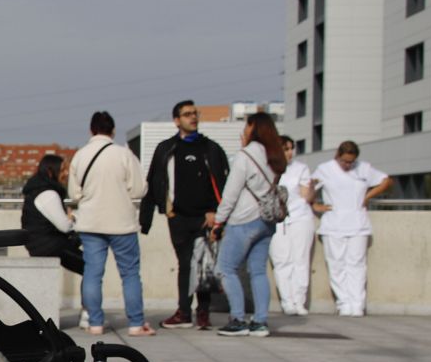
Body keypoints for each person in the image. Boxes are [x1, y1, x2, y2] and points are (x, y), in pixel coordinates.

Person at [140, 100, 228, 331]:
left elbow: (222, 183)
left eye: (195, 113)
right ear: (177, 120)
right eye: (187, 114)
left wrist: (215, 212)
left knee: (203, 264)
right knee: (185, 264)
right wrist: (147, 219)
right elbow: (154, 182)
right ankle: (184, 312)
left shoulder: (210, 149)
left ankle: (203, 313)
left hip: (205, 218)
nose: (193, 117)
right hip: (178, 217)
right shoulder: (167, 149)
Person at [68, 110, 151, 337]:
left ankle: (95, 323)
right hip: (122, 223)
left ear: (91, 130)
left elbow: (74, 194)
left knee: (93, 274)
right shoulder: (124, 154)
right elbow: (138, 189)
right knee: (130, 274)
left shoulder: (80, 156)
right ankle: (136, 323)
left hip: (90, 223)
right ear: (113, 130)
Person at [211, 113, 287, 337]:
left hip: (243, 220)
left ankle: (238, 319)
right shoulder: (274, 155)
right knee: (258, 271)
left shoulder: (245, 155)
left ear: (254, 127)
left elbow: (230, 193)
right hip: (267, 221)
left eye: (247, 125)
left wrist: (219, 220)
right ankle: (260, 321)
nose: (244, 129)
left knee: (226, 268)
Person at [311, 141, 392, 316]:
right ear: (337, 156)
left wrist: (368, 196)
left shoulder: (364, 168)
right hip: (334, 224)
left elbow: (386, 181)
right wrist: (314, 205)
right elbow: (308, 188)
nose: (348, 165)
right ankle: (344, 303)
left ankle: (357, 304)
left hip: (358, 224)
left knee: (357, 265)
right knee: (336, 264)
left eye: (351, 162)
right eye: (344, 161)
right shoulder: (325, 169)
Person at [268, 136, 316, 316]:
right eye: (285, 149)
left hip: (300, 217)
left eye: (291, 149)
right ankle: (287, 301)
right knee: (281, 260)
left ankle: (299, 300)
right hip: (277, 220)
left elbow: (306, 196)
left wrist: (313, 187)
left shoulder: (301, 168)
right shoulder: (268, 167)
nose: (289, 153)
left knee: (300, 260)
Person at [20, 153, 82, 274]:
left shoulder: (37, 190)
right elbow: (65, 227)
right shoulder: (49, 194)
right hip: (49, 246)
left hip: (40, 244)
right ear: (50, 171)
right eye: (62, 170)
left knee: (90, 265)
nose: (66, 173)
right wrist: (74, 217)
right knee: (92, 266)